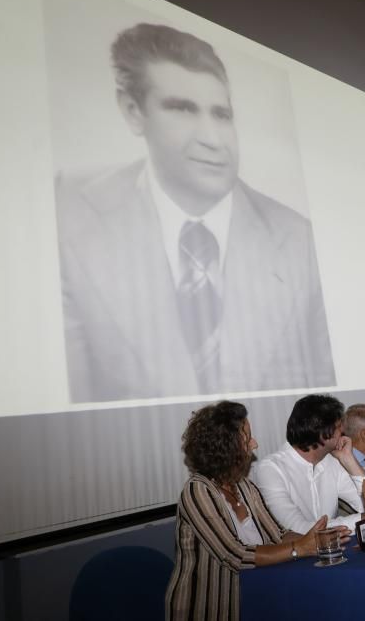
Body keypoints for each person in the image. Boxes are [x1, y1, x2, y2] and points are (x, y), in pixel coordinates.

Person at [55, 23, 335, 402]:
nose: (214, 139)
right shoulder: (71, 217)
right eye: (183, 109)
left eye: (222, 115)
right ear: (133, 112)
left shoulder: (299, 239)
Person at [165, 401, 340, 621]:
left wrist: (319, 540)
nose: (254, 444)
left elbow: (278, 534)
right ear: (224, 446)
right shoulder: (197, 491)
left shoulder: (245, 487)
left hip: (249, 600)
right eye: (247, 438)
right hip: (207, 609)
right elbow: (235, 555)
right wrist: (300, 549)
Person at [254, 394, 365, 534]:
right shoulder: (270, 469)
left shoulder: (332, 461)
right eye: (338, 426)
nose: (343, 431)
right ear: (322, 432)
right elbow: (297, 530)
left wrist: (349, 460)